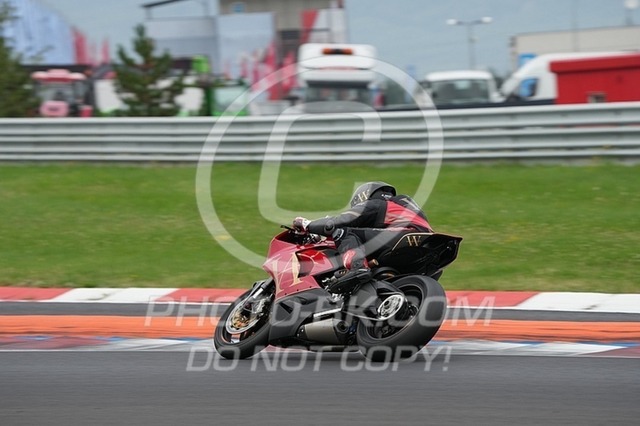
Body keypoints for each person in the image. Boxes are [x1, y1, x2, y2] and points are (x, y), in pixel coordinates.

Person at [292, 181, 433, 292]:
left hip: (406, 236)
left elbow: (339, 222)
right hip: (428, 243)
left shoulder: (378, 204)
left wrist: (308, 224)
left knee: (343, 231)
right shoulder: (399, 207)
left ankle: (357, 267)